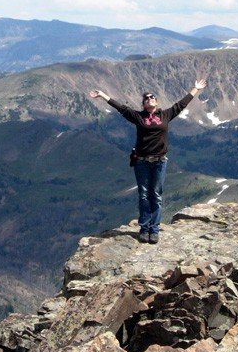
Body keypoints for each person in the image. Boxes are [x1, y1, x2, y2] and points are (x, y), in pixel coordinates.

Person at [89, 79, 208, 244]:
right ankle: (144, 229)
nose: (150, 99)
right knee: (144, 195)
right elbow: (121, 108)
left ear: (157, 102)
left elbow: (181, 104)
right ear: (144, 105)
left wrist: (195, 89)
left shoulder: (165, 114)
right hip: (142, 162)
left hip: (160, 162)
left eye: (152, 97)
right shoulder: (138, 117)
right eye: (146, 99)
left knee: (156, 195)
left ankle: (155, 229)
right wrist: (102, 95)